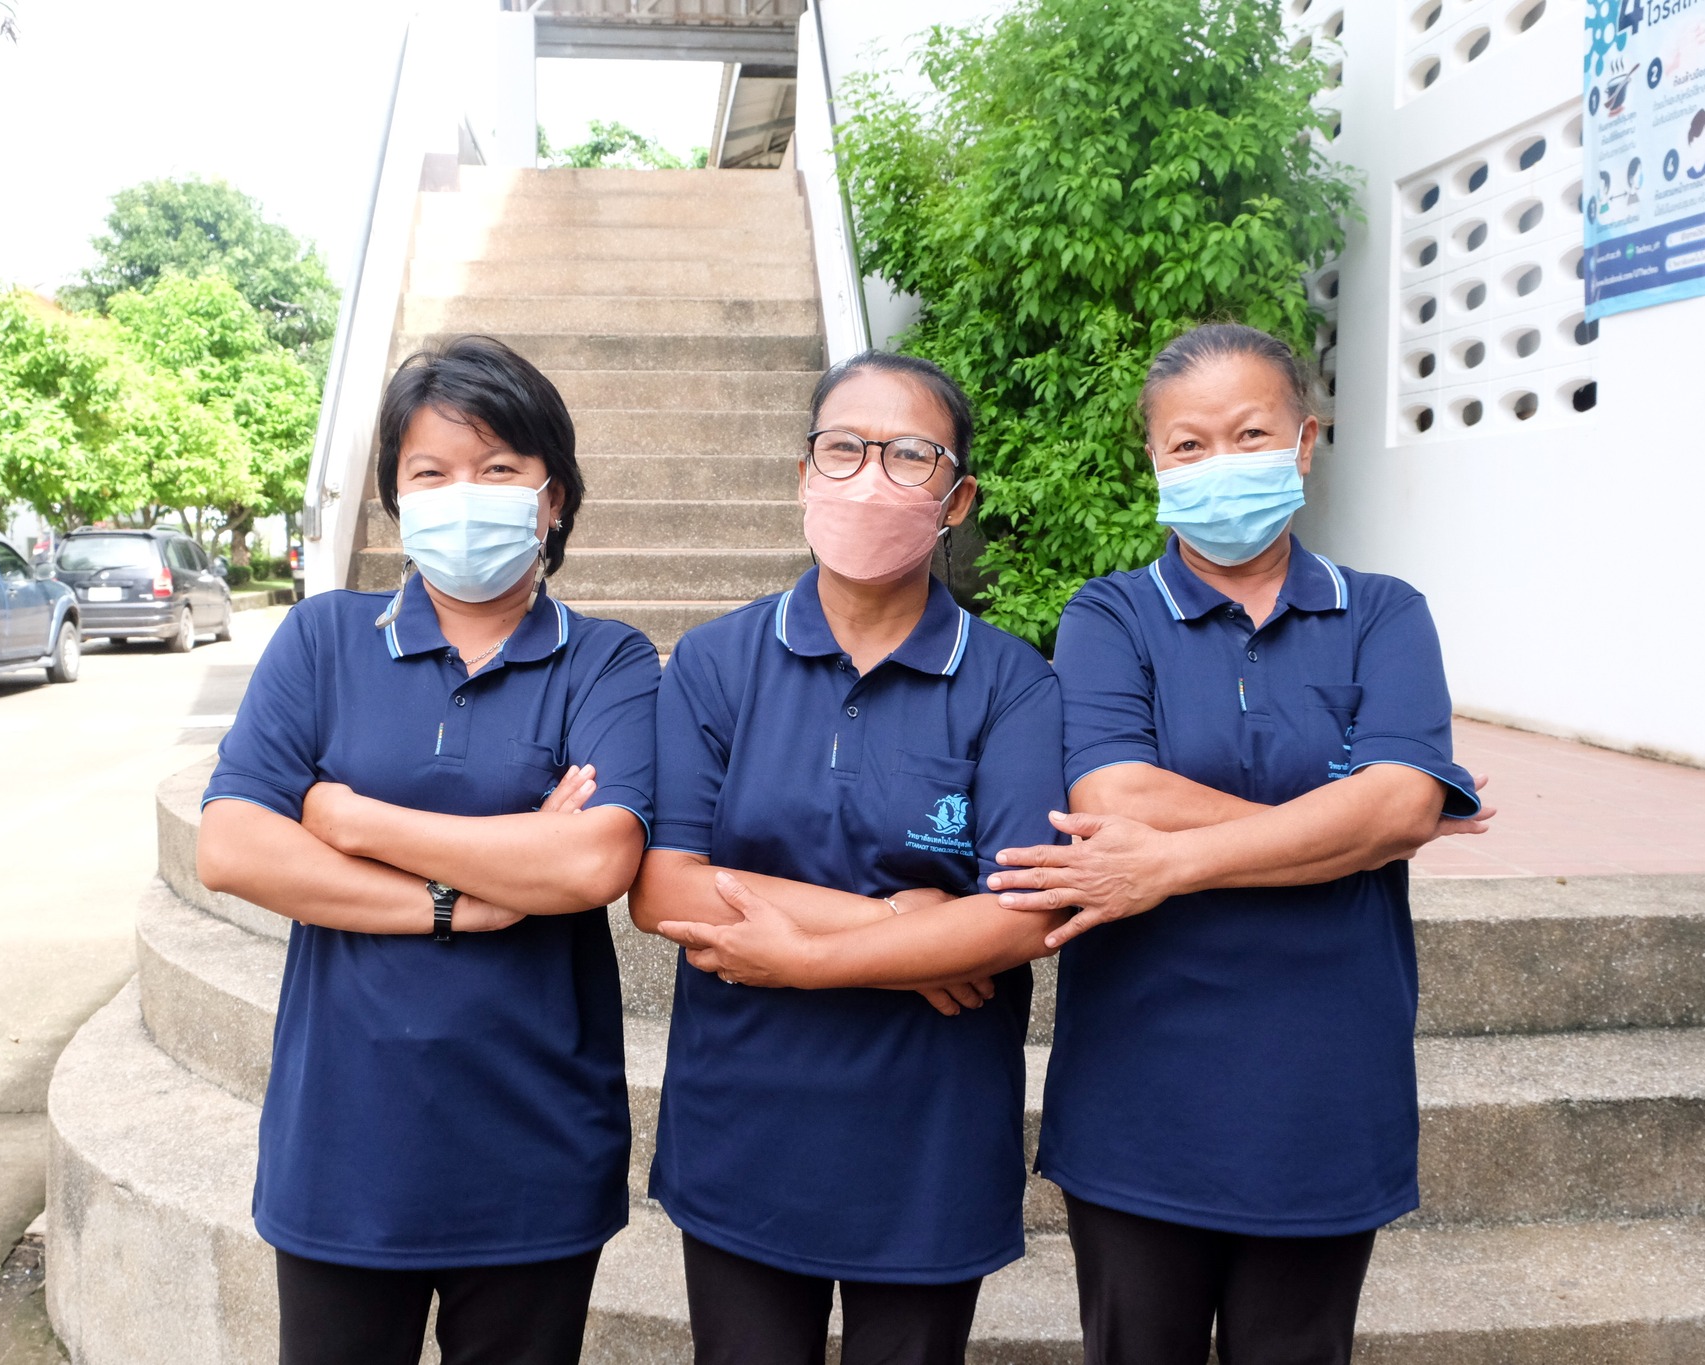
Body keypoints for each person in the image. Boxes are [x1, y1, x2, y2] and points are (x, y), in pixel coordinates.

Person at [987, 323, 1494, 1365]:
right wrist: (1347, 824)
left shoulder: (1383, 614)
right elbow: (1111, 787)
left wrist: (1169, 860)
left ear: (1302, 443)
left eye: (1248, 433)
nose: (1219, 463)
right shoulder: (1107, 616)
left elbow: (1398, 805)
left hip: (1321, 1082)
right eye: (1187, 445)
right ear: (1154, 465)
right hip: (1142, 1081)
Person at [194, 336, 660, 1365]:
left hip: (535, 1142)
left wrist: (353, 822)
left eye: (498, 470)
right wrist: (465, 896)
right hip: (346, 1143)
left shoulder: (608, 659)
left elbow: (590, 866)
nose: (467, 494)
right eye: (431, 472)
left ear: (554, 499)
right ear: (395, 503)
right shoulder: (322, 642)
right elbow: (231, 846)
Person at [631, 352, 1068, 1365]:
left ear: (955, 499)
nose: (868, 476)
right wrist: (902, 927)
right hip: (746, 1118)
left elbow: (1025, 913)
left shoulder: (1009, 683)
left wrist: (806, 954)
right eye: (841, 449)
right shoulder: (713, 664)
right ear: (801, 475)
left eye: (907, 455)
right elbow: (665, 887)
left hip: (928, 1132)